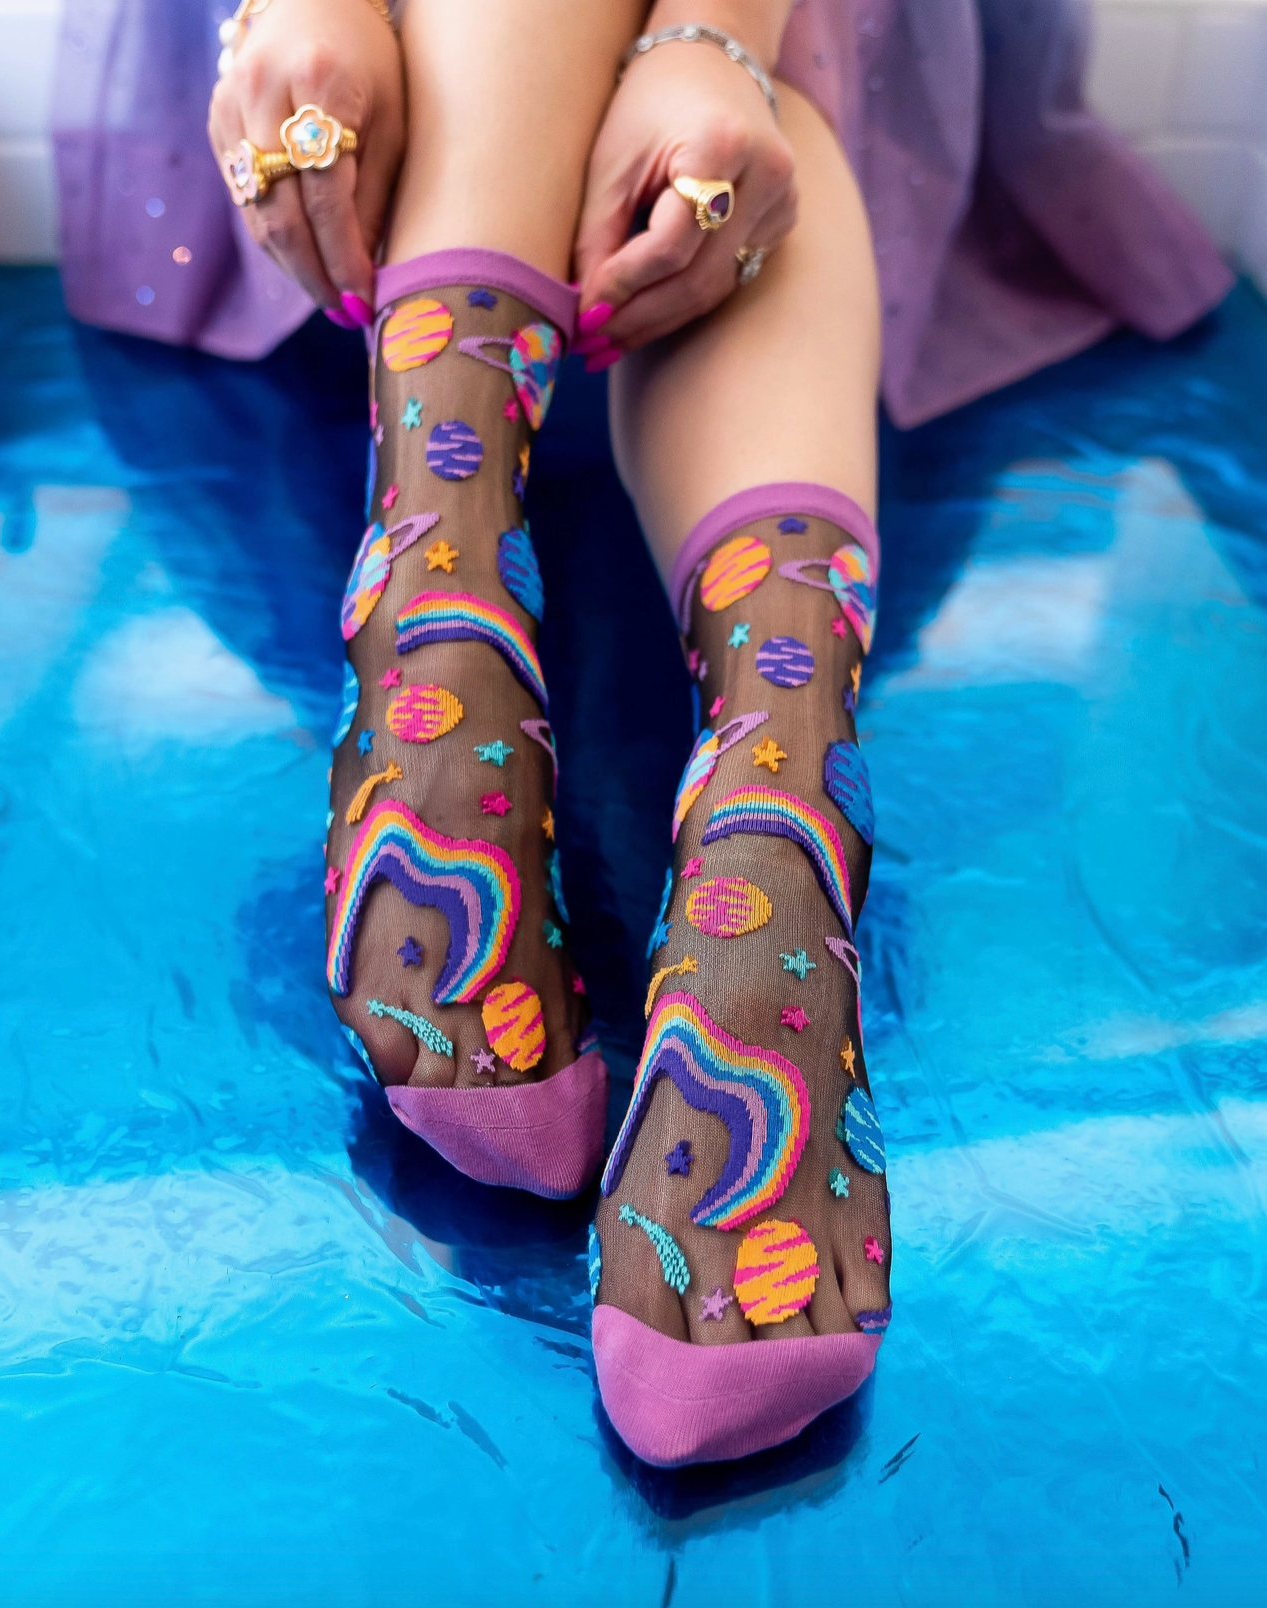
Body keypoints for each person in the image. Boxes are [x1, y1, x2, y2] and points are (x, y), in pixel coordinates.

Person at [60, 0, 1230, 1468]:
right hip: (393, 95)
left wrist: (714, 38)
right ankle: (772, 801)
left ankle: (456, 600)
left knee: (738, 125)